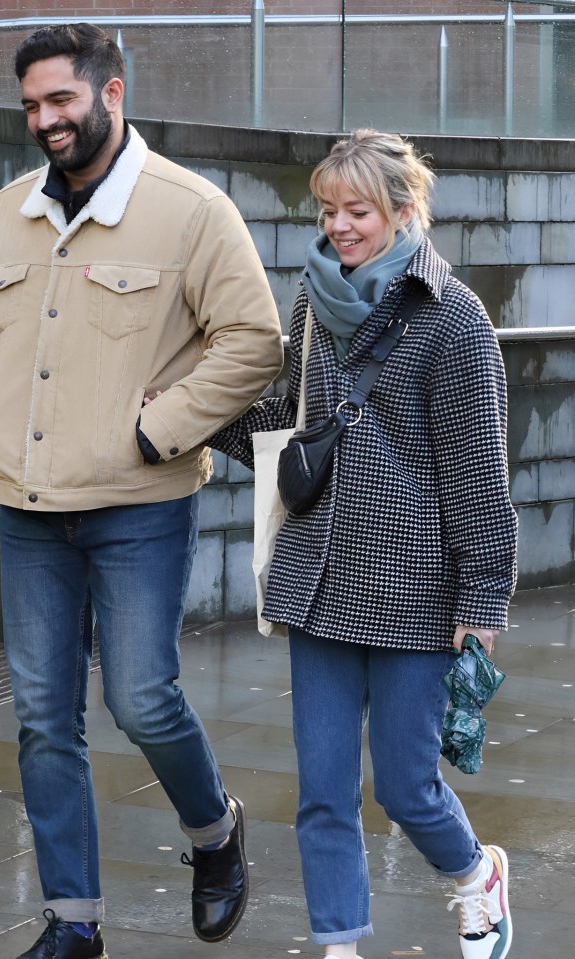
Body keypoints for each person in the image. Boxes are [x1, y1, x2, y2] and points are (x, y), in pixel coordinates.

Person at [0, 23, 283, 959]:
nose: (43, 120)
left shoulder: (191, 210)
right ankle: (73, 920)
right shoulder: (5, 211)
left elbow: (252, 342)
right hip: (25, 508)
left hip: (139, 507)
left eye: (59, 100)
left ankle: (214, 831)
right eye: (30, 105)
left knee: (140, 698)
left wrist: (156, 429)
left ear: (111, 93)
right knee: (42, 719)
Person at [212, 130, 518, 959]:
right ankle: (339, 944)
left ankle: (473, 879)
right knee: (321, 792)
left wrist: (481, 599)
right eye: (327, 209)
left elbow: (476, 474)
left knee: (407, 786)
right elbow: (293, 435)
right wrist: (199, 402)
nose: (338, 226)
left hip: (417, 590)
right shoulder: (314, 300)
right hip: (318, 578)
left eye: (357, 210)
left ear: (402, 210)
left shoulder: (453, 318)